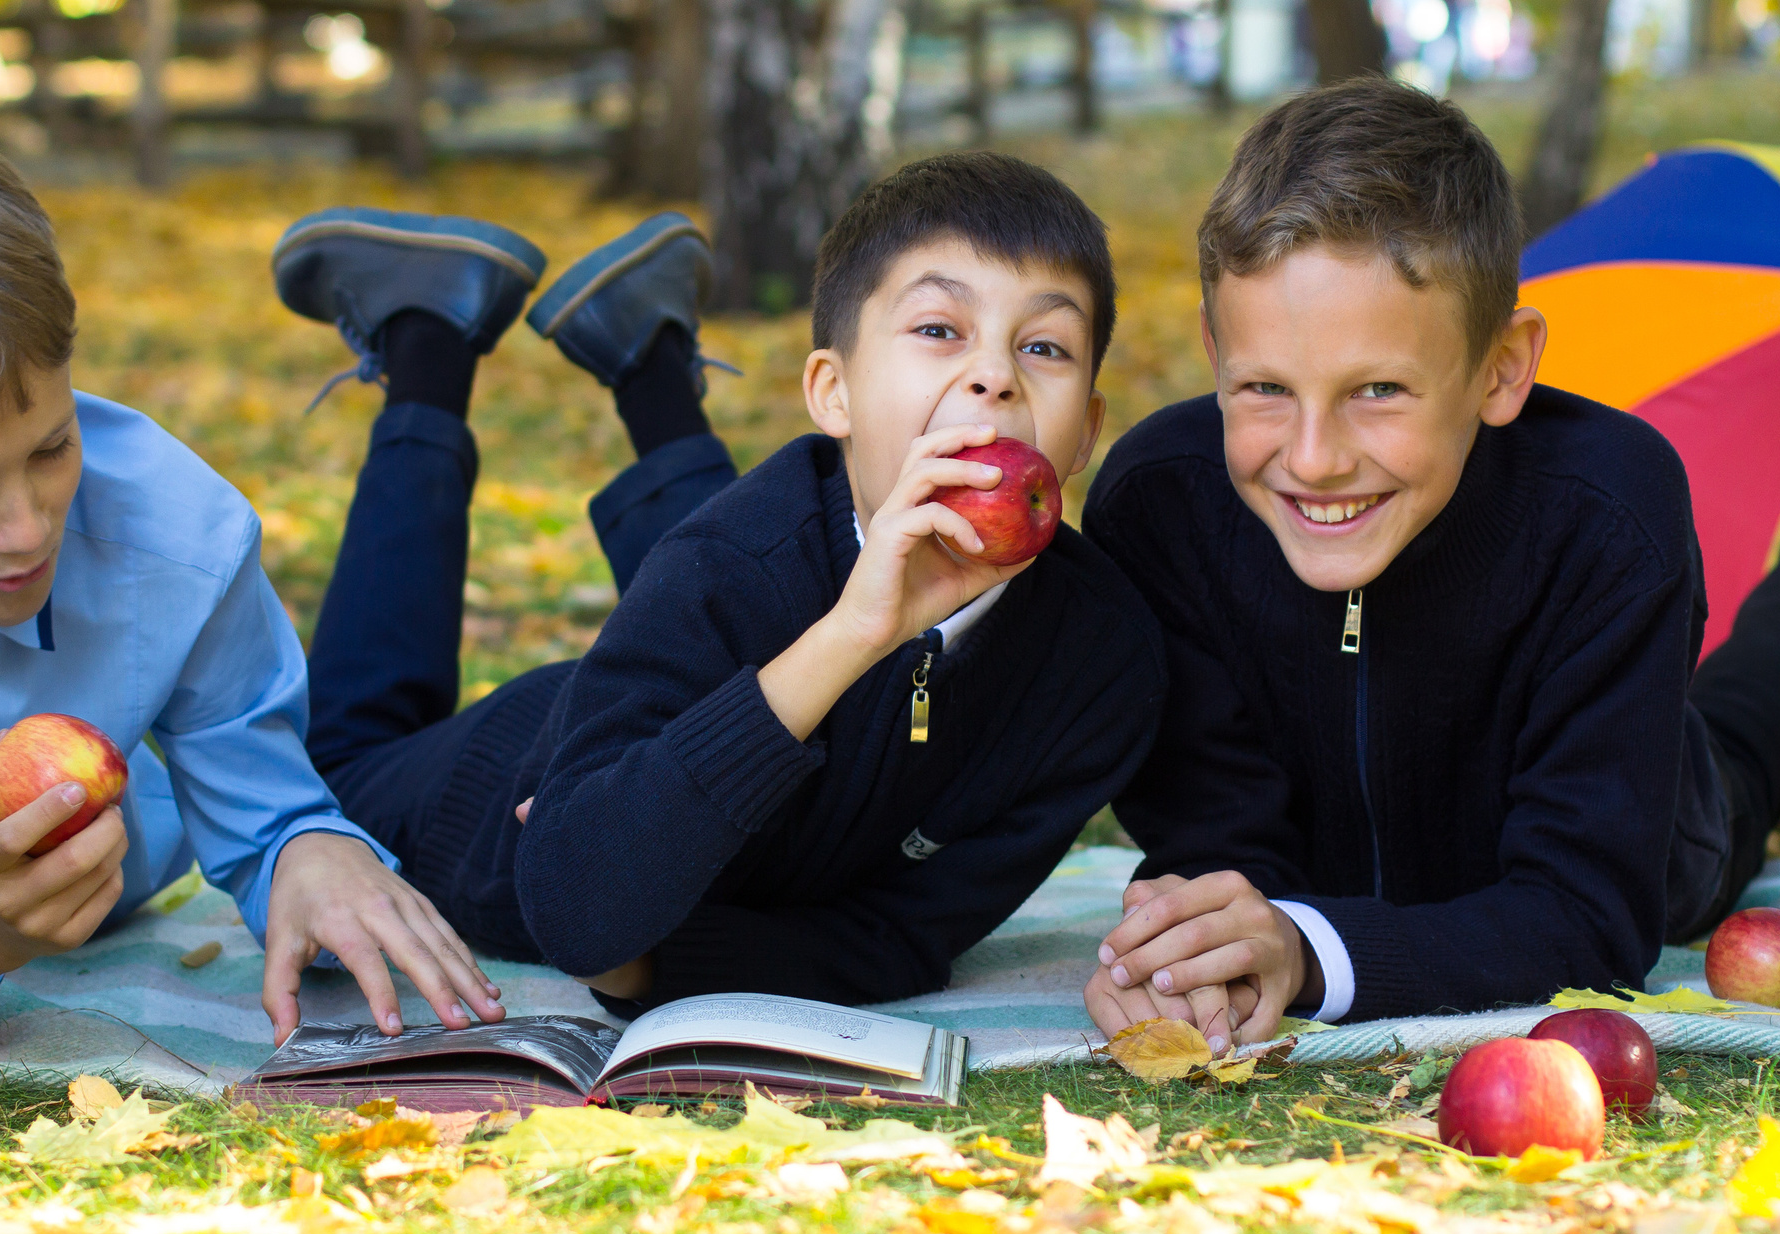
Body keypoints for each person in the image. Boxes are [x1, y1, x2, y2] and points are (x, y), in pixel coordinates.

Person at [1079, 77, 1780, 1050]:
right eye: (1262, 388)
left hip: (1636, 832)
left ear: (1501, 367)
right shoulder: (1158, 512)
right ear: (1213, 352)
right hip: (1362, 880)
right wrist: (1195, 958)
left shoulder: (1607, 516)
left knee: (1744, 742)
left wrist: (1301, 951)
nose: (1312, 457)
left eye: (1377, 390)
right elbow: (1222, 853)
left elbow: (1588, 915)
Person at [276, 150, 1165, 1015]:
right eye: (939, 330)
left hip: (683, 740)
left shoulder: (1102, 658)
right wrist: (853, 632)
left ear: (1084, 433)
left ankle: (648, 354)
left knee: (767, 556)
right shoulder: (729, 561)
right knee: (340, 762)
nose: (996, 376)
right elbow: (581, 910)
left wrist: (658, 963)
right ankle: (427, 342)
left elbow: (900, 936)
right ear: (833, 393)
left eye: (1044, 345)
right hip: (491, 787)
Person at [0, 118, 506, 1046]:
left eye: (53, 447)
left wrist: (308, 849)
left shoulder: (182, 541)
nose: (25, 528)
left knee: (365, 751)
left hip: (127, 875)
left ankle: (425, 361)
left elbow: (270, 812)